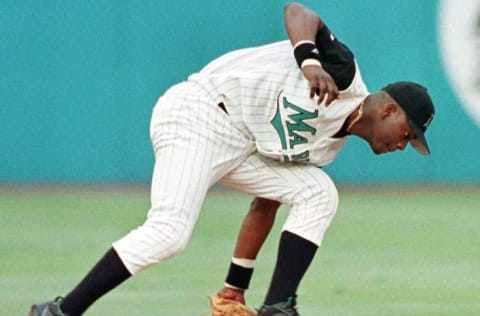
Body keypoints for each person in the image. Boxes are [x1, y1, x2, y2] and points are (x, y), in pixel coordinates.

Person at [29, 2, 435, 316]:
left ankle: (277, 306)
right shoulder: (343, 74)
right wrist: (310, 60)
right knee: (170, 231)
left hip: (239, 147)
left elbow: (264, 204)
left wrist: (234, 285)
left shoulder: (328, 147)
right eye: (408, 133)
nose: (404, 144)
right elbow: (298, 11)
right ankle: (61, 310)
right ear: (388, 111)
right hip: (199, 112)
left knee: (318, 193)